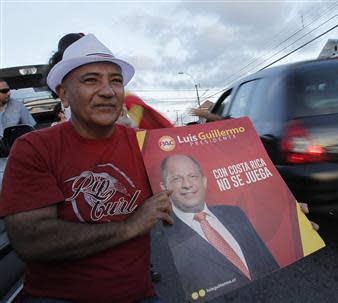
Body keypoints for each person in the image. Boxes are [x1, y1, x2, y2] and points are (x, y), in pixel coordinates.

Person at [0, 33, 173, 303]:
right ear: (64, 94)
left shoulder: (144, 144)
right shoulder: (34, 148)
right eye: (91, 80)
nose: (107, 90)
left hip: (139, 295)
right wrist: (131, 226)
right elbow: (29, 240)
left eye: (116, 81)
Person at [159, 154, 279, 299]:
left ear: (204, 182)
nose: (187, 184)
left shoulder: (235, 213)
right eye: (177, 178)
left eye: (192, 176)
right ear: (164, 187)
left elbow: (268, 263)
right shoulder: (165, 237)